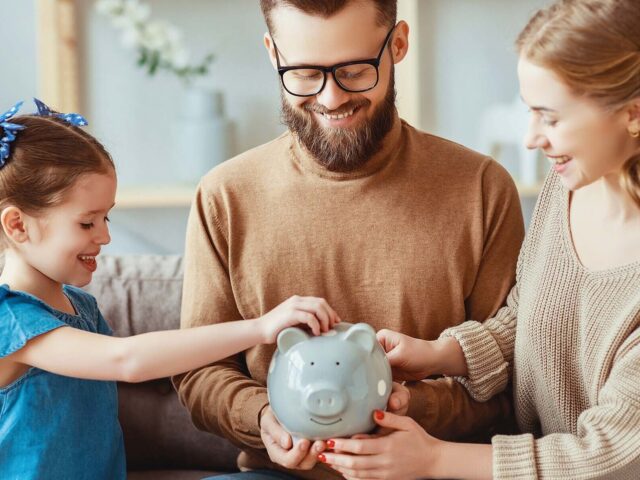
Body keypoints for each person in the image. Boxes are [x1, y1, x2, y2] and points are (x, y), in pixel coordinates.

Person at [172, 1, 525, 479]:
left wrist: (410, 407)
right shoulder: (225, 196)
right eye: (302, 73)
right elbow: (198, 371)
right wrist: (263, 417)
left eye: (355, 70)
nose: (332, 97)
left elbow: (513, 377)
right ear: (273, 53)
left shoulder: (481, 189)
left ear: (397, 44)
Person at [320, 0, 640, 478]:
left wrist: (432, 459)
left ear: (633, 113)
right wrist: (438, 354)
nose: (531, 138)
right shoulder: (570, 184)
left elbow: (612, 452)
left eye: (550, 118)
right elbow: (529, 315)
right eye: (528, 112)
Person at [0, 99, 340, 480]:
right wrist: (260, 328)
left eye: (106, 217)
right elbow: (126, 360)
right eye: (87, 223)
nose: (105, 235)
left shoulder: (81, 307)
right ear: (17, 226)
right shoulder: (10, 322)